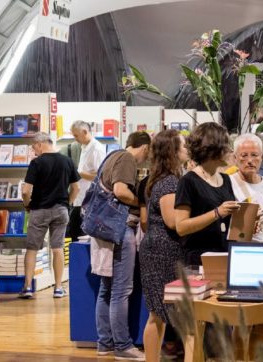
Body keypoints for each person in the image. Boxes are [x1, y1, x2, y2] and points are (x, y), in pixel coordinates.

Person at [94, 131, 150, 361]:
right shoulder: (127, 159)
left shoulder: (111, 156)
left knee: (106, 289)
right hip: (121, 228)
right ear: (145, 148)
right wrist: (144, 203)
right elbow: (120, 190)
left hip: (105, 229)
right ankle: (123, 346)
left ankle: (105, 342)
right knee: (121, 290)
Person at [140, 130, 188, 361]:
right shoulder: (169, 182)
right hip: (162, 251)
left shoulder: (162, 179)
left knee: (158, 314)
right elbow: (172, 221)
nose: (187, 149)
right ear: (173, 151)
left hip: (160, 249)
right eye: (183, 145)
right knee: (157, 313)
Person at [21, 132, 80, 299]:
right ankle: (58, 287)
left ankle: (27, 287)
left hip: (39, 210)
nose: (34, 152)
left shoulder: (36, 163)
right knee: (58, 248)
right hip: (61, 210)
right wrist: (67, 203)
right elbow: (76, 188)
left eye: (34, 148)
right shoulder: (67, 161)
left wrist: (27, 205)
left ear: (40, 144)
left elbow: (26, 190)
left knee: (32, 249)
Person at [175, 122, 239, 266]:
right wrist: (216, 213)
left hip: (226, 255)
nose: (230, 150)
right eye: (226, 146)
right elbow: (181, 227)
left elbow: (228, 223)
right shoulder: (188, 181)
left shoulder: (226, 179)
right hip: (199, 260)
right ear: (213, 149)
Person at [229, 134, 263, 243]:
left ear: (261, 157)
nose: (250, 160)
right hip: (242, 252)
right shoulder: (228, 184)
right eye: (244, 155)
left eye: (254, 155)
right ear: (235, 158)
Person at [69, 121, 105, 241]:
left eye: (76, 135)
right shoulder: (84, 147)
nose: (75, 139)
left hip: (90, 201)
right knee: (74, 235)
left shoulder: (97, 149)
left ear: (84, 132)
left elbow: (100, 176)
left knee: (80, 236)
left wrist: (78, 173)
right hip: (81, 199)